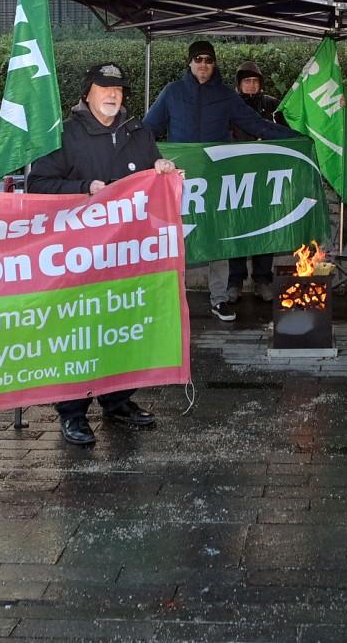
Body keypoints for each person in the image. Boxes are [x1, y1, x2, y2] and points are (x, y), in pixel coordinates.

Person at [28, 62, 178, 446]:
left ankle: (117, 400)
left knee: (121, 326)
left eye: (119, 89)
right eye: (104, 87)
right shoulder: (64, 133)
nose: (113, 95)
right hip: (77, 256)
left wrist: (161, 169)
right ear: (87, 92)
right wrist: (83, 187)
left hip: (126, 254)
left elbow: (153, 178)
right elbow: (38, 183)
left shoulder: (138, 132)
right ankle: (73, 412)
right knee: (77, 331)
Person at [144, 40, 297, 322]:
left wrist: (297, 139)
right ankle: (169, 300)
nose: (203, 65)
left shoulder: (227, 96)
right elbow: (148, 130)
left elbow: (256, 125)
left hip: (216, 180)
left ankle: (219, 299)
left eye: (208, 60)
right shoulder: (173, 93)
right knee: (176, 239)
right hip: (181, 180)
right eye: (198, 59)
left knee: (219, 238)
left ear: (214, 65)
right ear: (189, 63)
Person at [227, 60, 286, 303]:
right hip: (236, 176)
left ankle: (263, 279)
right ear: (239, 84)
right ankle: (235, 282)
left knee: (265, 228)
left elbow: (287, 132)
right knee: (237, 230)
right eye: (246, 81)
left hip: (265, 178)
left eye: (255, 81)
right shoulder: (228, 105)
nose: (251, 85)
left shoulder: (272, 105)